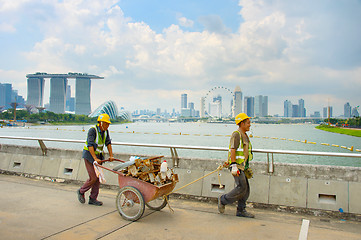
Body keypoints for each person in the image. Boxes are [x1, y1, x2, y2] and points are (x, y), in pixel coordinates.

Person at [218, 113, 255, 218]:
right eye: (248, 123)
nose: (249, 125)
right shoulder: (237, 134)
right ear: (242, 123)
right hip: (236, 166)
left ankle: (241, 210)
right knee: (241, 188)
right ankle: (223, 200)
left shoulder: (245, 135)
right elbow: (233, 149)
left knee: (246, 189)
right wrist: (233, 165)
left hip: (242, 166)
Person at [77, 113, 114, 206]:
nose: (108, 125)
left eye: (108, 124)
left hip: (98, 157)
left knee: (98, 178)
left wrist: (111, 155)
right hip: (89, 156)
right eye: (106, 123)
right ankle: (81, 191)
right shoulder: (92, 130)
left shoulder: (105, 131)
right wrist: (94, 158)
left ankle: (93, 198)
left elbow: (108, 143)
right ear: (101, 123)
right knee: (93, 177)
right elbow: (90, 145)